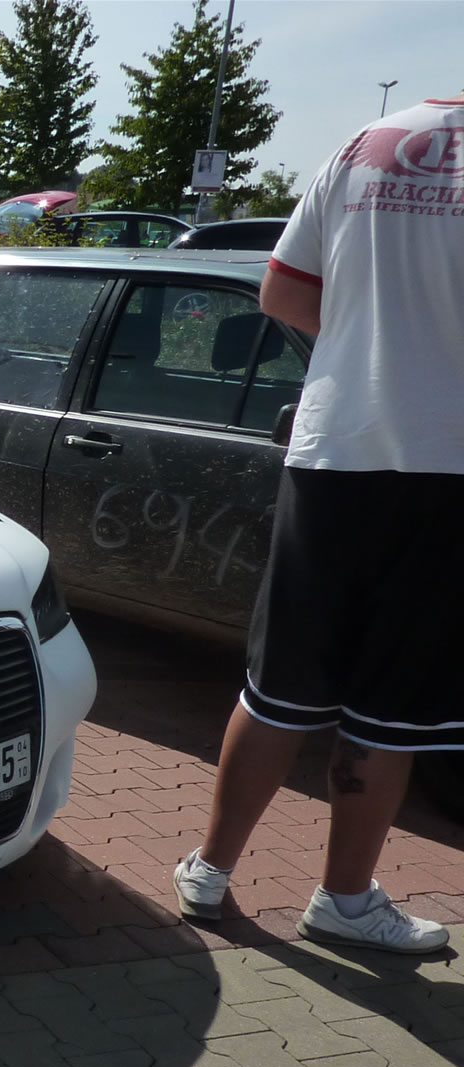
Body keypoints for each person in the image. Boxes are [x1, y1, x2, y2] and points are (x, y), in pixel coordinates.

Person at [171, 89, 464, 954]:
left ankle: (208, 870)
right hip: (449, 467)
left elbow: (284, 293)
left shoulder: (368, 141)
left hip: (334, 448)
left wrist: (370, 354)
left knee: (280, 685)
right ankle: (343, 899)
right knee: (389, 705)